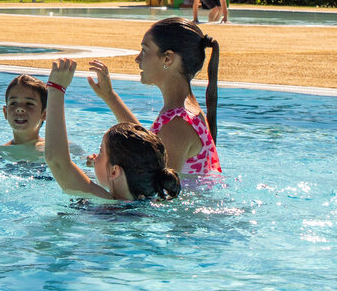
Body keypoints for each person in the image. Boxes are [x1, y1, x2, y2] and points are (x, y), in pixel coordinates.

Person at [87, 17, 222, 177]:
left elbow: (160, 194)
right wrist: (109, 96)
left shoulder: (177, 125)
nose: (137, 59)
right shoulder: (181, 112)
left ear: (167, 59)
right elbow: (149, 147)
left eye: (144, 50)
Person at [43, 58, 181, 201]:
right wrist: (103, 163)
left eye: (101, 151)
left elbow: (57, 161)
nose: (95, 156)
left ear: (114, 171)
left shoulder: (108, 204)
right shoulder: (152, 199)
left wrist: (56, 88)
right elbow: (143, 147)